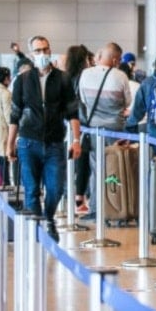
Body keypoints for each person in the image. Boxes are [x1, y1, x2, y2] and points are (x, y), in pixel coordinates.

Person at [7, 35, 82, 244]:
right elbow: (15, 114)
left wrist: (76, 140)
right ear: (31, 54)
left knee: (56, 187)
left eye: (45, 49)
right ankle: (37, 227)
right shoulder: (22, 80)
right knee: (31, 190)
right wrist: (9, 143)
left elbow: (72, 113)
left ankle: (48, 217)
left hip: (55, 143)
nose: (42, 54)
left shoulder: (63, 78)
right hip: (28, 142)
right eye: (38, 50)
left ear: (50, 50)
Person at [78, 42, 132, 221]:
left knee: (96, 169)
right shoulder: (120, 76)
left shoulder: (85, 74)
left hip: (93, 129)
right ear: (116, 59)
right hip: (116, 130)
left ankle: (95, 209)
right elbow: (126, 102)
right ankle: (115, 208)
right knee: (114, 169)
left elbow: (83, 100)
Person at [64, 44, 94, 213]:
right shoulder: (84, 77)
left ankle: (76, 197)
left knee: (75, 162)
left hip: (69, 123)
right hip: (81, 123)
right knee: (83, 161)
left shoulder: (67, 77)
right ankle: (80, 198)